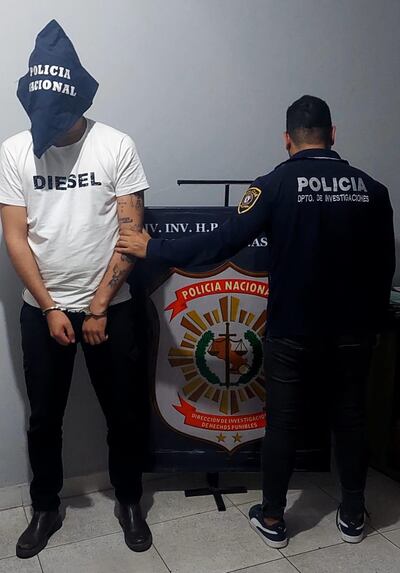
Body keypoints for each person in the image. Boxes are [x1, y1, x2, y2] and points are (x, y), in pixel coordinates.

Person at [115, 95, 396, 548]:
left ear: (287, 139)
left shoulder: (274, 186)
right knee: (351, 418)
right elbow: (384, 264)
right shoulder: (373, 189)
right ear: (333, 134)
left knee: (282, 422)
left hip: (294, 329)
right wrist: (375, 325)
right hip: (354, 330)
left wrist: (154, 248)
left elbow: (222, 242)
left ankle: (273, 518)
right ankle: (352, 515)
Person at [0, 20, 151, 558]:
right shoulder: (15, 151)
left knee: (124, 414)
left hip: (113, 308)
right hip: (44, 309)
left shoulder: (116, 145)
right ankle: (45, 507)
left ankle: (129, 500)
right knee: (44, 418)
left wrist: (99, 306)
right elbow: (15, 237)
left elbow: (132, 235)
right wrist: (48, 307)